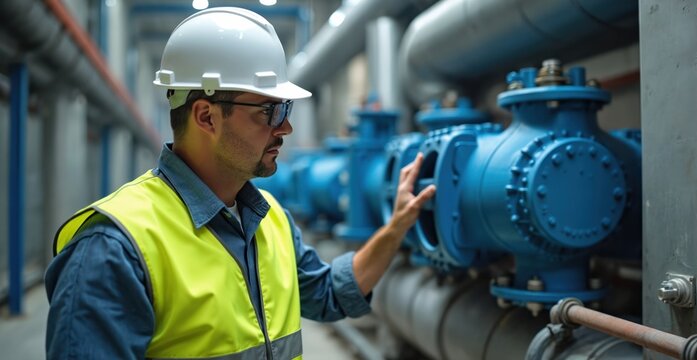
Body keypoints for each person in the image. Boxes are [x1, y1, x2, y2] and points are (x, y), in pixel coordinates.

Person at [44, 7, 436, 360]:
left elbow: (330, 294)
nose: (286, 127)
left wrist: (397, 224)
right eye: (270, 110)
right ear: (206, 117)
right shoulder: (113, 250)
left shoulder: (270, 219)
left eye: (286, 109)